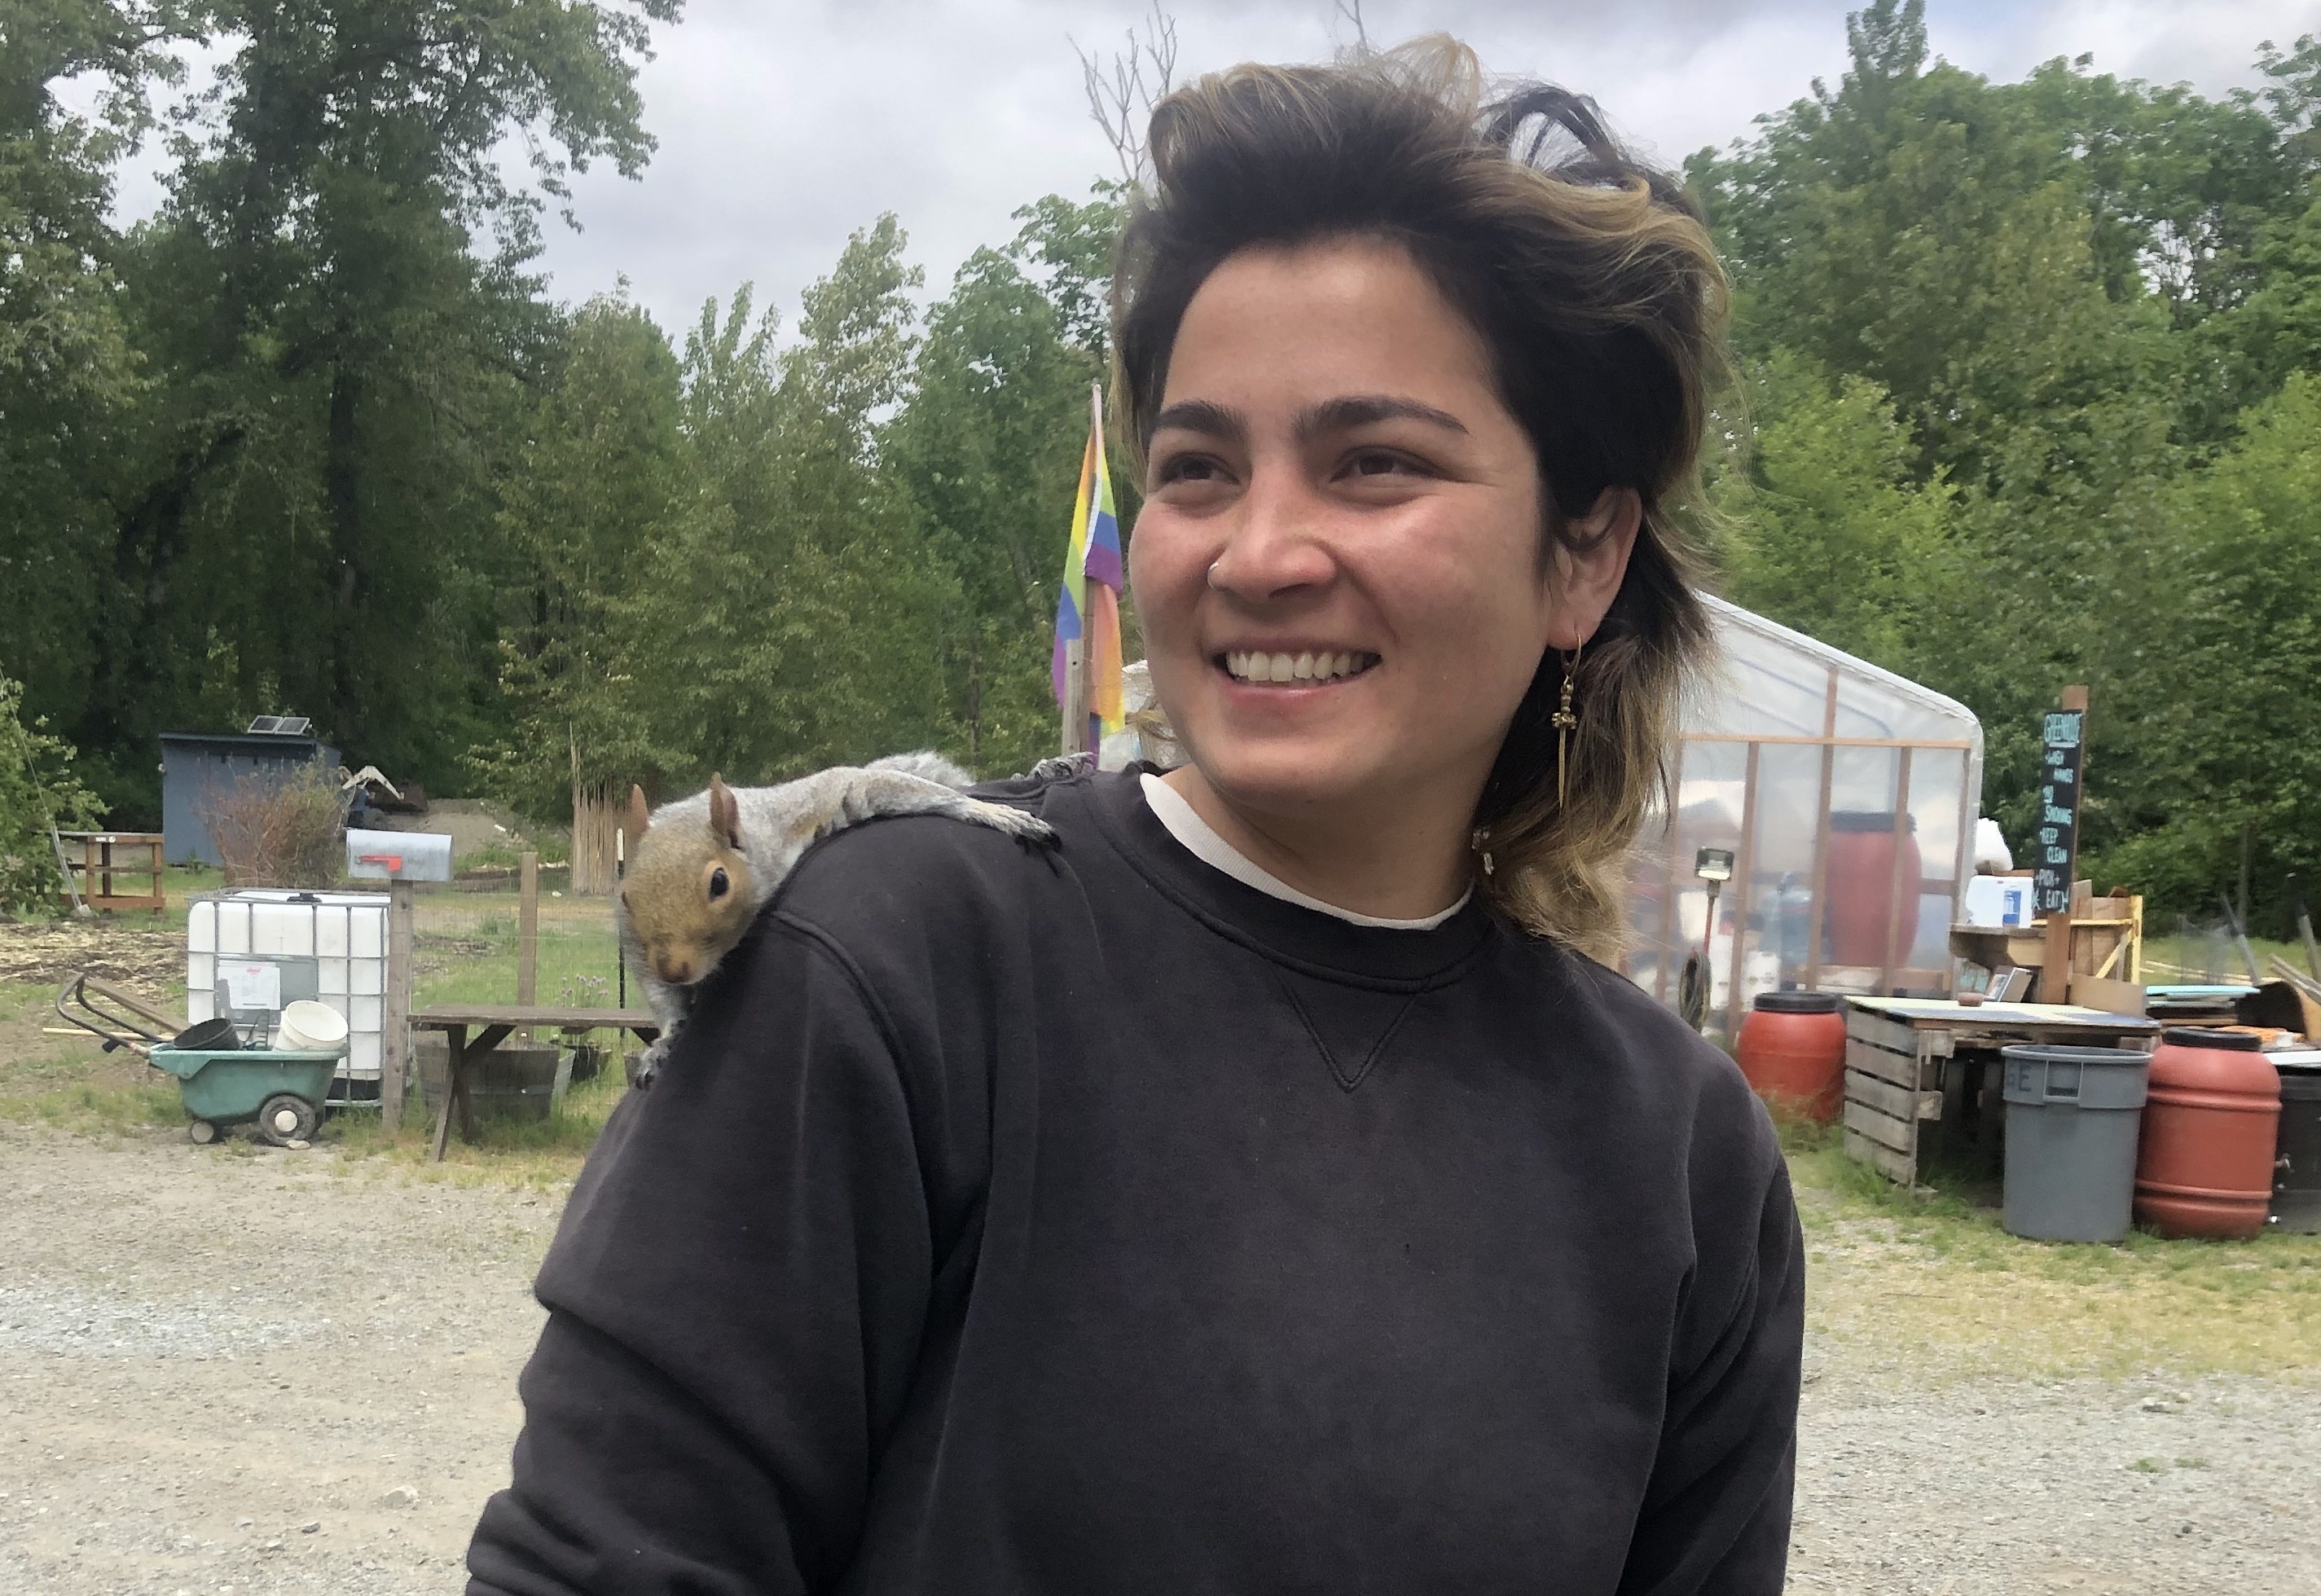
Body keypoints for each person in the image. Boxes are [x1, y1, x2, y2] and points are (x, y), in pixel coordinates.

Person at [468, 37, 1800, 1596]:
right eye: (1198, 468)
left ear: (1582, 555)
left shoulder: (1681, 1158)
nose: (1260, 551)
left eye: (1375, 464)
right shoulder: (890, 978)